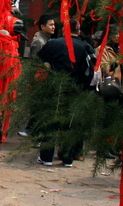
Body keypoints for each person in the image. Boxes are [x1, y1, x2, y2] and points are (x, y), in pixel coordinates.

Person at [36, 18, 96, 167]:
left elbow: (39, 59)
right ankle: (67, 158)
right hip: (75, 89)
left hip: (54, 86)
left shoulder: (53, 44)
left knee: (50, 121)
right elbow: (90, 72)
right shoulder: (85, 47)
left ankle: (47, 157)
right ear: (79, 31)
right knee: (70, 123)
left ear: (64, 30)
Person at [18, 13, 57, 138]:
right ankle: (31, 129)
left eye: (54, 24)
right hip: (39, 77)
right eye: (50, 24)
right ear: (42, 26)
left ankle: (33, 129)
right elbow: (37, 62)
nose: (53, 27)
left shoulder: (46, 39)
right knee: (37, 105)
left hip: (44, 76)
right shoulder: (39, 41)